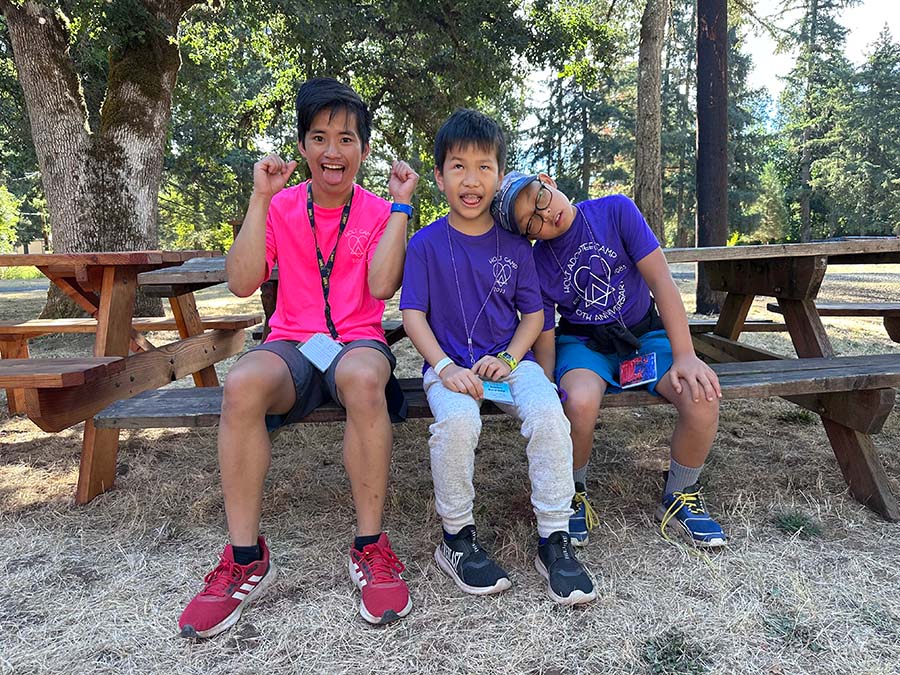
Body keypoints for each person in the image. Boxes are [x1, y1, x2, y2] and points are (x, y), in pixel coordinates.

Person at [178, 78, 420, 637]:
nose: (332, 152)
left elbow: (383, 287)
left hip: (358, 341)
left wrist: (402, 206)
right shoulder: (282, 206)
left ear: (363, 148)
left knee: (362, 377)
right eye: (319, 138)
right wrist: (259, 197)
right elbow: (241, 282)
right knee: (242, 383)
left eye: (346, 139)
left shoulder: (381, 210)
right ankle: (244, 557)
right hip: (292, 342)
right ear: (304, 147)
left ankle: (370, 546)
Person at [400, 110, 595, 606]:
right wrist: (444, 367)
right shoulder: (423, 244)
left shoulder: (517, 244)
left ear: (500, 175)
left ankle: (555, 538)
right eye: (458, 166)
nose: (471, 180)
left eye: (484, 166)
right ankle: (457, 538)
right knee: (459, 423)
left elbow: (534, 315)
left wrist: (509, 359)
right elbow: (413, 316)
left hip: (510, 366)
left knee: (550, 412)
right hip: (449, 368)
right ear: (439, 175)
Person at [491, 171, 727, 549]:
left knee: (701, 395)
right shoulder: (537, 261)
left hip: (644, 336)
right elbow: (546, 330)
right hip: (584, 343)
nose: (546, 217)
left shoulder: (615, 211)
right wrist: (547, 381)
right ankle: (573, 492)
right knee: (578, 402)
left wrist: (685, 355)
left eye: (540, 200)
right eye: (531, 222)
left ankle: (681, 495)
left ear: (547, 181)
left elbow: (662, 282)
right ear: (528, 235)